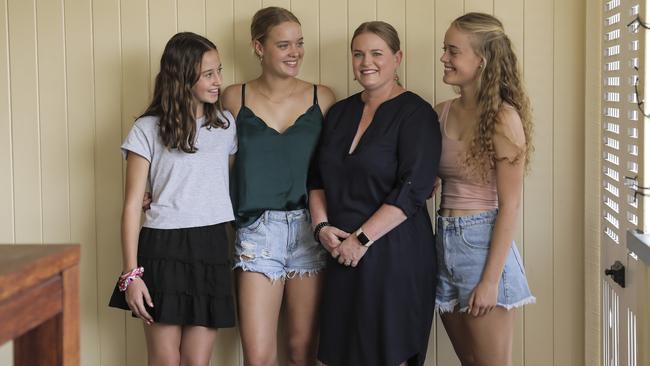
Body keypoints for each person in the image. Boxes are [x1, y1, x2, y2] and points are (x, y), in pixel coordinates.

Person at [308, 21, 441, 366]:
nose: (366, 62)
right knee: (337, 355)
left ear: (397, 58)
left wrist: (361, 239)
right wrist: (322, 229)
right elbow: (316, 178)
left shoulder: (416, 114)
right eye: (359, 54)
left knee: (386, 354)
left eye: (377, 53)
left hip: (394, 255)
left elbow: (413, 190)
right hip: (341, 256)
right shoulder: (339, 113)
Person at [108, 32, 237, 366]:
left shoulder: (226, 126)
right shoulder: (147, 130)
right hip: (163, 248)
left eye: (219, 71)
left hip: (212, 246)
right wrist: (130, 275)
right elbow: (132, 205)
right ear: (183, 76)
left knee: (197, 362)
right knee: (165, 360)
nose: (218, 81)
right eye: (209, 74)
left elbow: (220, 183)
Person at [220, 7, 335, 366]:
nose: (295, 53)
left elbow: (342, 166)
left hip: (310, 230)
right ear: (258, 47)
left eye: (299, 44)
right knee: (258, 356)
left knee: (302, 351)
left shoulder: (324, 97)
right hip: (256, 232)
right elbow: (214, 165)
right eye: (283, 45)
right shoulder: (233, 98)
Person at [435, 12, 535, 366]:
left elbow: (510, 206)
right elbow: (427, 182)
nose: (444, 58)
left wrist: (491, 281)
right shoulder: (441, 112)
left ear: (482, 60)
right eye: (444, 50)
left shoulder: (503, 119)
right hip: (443, 244)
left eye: (452, 51)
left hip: (482, 247)